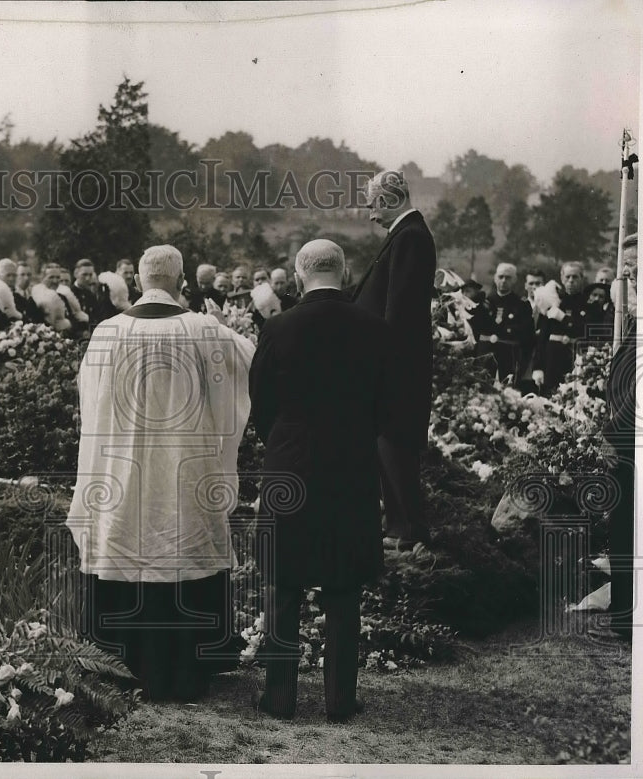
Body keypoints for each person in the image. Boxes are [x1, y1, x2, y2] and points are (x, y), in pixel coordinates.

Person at [66, 244, 255, 702]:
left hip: (123, 476)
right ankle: (186, 669)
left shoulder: (107, 332)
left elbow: (89, 405)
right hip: (183, 474)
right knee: (182, 551)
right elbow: (251, 368)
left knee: (126, 545)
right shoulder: (203, 329)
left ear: (139, 281)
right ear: (181, 280)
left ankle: (123, 664)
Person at [249, 239, 392, 721]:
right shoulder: (374, 328)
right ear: (345, 271)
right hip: (350, 463)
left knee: (284, 582)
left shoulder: (278, 327)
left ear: (298, 273)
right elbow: (383, 405)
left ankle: (281, 696)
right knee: (344, 583)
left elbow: (261, 400)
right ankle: (339, 699)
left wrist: (284, 437)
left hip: (290, 461)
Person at [350, 170, 435, 547]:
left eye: (372, 205)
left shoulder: (410, 238)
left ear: (386, 201)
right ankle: (400, 527)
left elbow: (398, 311)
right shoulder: (405, 236)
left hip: (395, 368)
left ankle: (407, 530)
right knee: (389, 445)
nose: (370, 215)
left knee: (395, 445)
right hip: (393, 365)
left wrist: (378, 362)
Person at [595, 233, 637, 641]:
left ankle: (626, 619)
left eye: (636, 268)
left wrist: (611, 432)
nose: (629, 275)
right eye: (627, 269)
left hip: (633, 440)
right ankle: (624, 614)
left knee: (628, 529)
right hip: (630, 439)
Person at [470, 263, 534, 386]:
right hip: (485, 353)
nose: (504, 280)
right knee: (481, 389)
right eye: (501, 277)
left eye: (508, 277)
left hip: (509, 354)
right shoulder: (484, 302)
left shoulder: (521, 304)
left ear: (514, 280)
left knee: (508, 390)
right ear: (495, 278)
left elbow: (527, 333)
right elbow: (475, 329)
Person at [532, 261, 588, 395]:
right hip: (553, 359)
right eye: (567, 277)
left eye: (575, 277)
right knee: (551, 397)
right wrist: (538, 367)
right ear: (562, 279)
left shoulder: (587, 303)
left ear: (582, 279)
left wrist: (562, 318)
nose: (571, 281)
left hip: (575, 359)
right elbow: (542, 337)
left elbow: (583, 330)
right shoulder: (554, 301)